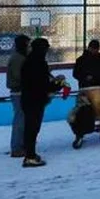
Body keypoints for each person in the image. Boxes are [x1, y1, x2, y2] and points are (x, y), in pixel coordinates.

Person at [20, 37, 69, 167]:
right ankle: (29, 157)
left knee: (31, 128)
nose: (47, 51)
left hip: (29, 99)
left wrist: (53, 84)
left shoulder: (31, 61)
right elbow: (41, 84)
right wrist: (56, 86)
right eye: (45, 48)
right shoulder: (37, 63)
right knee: (32, 128)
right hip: (34, 100)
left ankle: (30, 154)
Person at [6, 34, 30, 157]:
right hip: (18, 92)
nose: (29, 47)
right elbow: (18, 76)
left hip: (22, 91)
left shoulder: (20, 57)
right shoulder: (17, 58)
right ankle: (16, 147)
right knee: (20, 120)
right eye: (27, 44)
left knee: (23, 119)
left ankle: (22, 144)